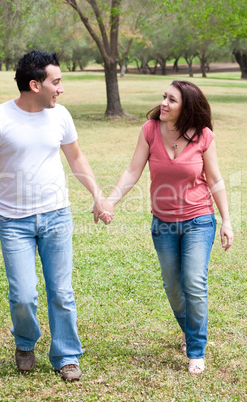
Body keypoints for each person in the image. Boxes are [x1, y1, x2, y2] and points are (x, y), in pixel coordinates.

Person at [0, 50, 113, 381]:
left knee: (62, 292)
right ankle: (25, 342)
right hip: (14, 221)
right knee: (23, 294)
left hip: (56, 216)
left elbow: (77, 159)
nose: (61, 89)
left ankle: (66, 355)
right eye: (57, 82)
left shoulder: (61, 116)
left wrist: (98, 196)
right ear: (35, 84)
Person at [103, 80, 233, 374]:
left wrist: (226, 221)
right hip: (163, 223)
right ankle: (189, 331)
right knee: (173, 287)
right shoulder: (150, 130)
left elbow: (215, 180)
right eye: (164, 97)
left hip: (199, 220)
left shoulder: (203, 136)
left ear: (186, 107)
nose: (163, 103)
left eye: (171, 100)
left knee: (194, 283)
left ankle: (196, 349)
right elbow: (133, 170)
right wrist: (110, 201)